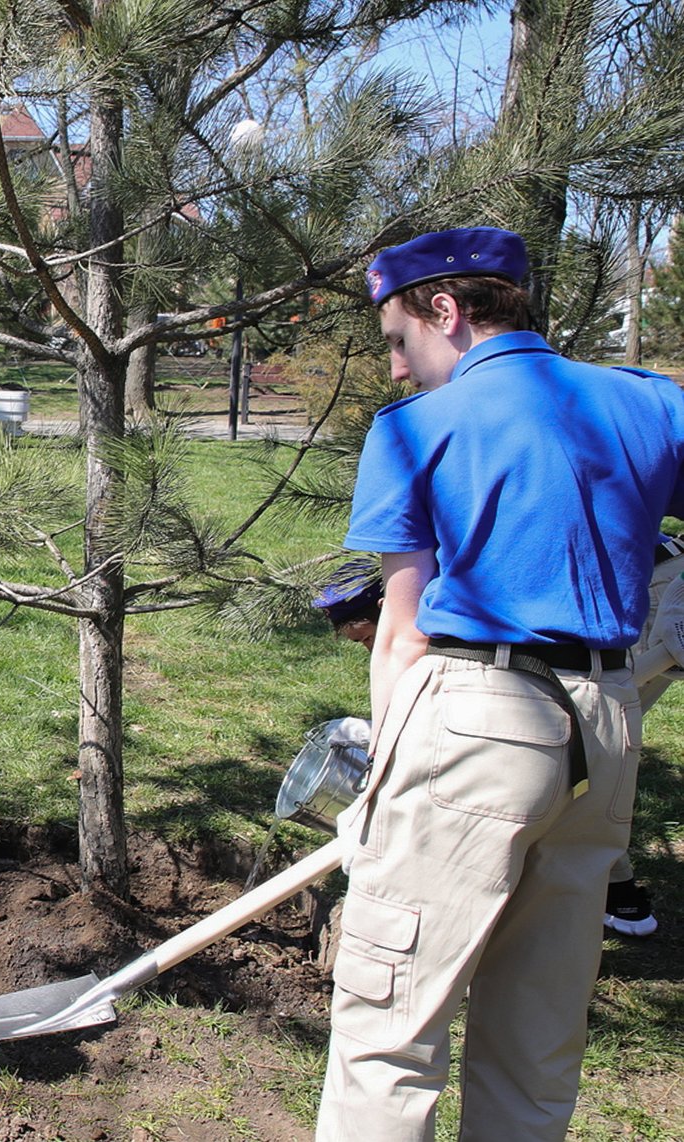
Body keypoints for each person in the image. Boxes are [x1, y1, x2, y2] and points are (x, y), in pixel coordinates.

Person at [318, 226, 684, 1141]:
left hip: (477, 716)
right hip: (609, 729)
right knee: (535, 1041)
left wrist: (380, 788)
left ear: (446, 310)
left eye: (399, 340)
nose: (397, 370)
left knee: (388, 1030)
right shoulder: (650, 405)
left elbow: (401, 630)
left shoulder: (417, 430)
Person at [314, 550, 670, 939]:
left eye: (369, 637)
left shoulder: (465, 619)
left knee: (579, 764)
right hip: (582, 636)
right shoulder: (453, 601)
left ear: (391, 605)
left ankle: (610, 896)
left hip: (635, 620)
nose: (371, 650)